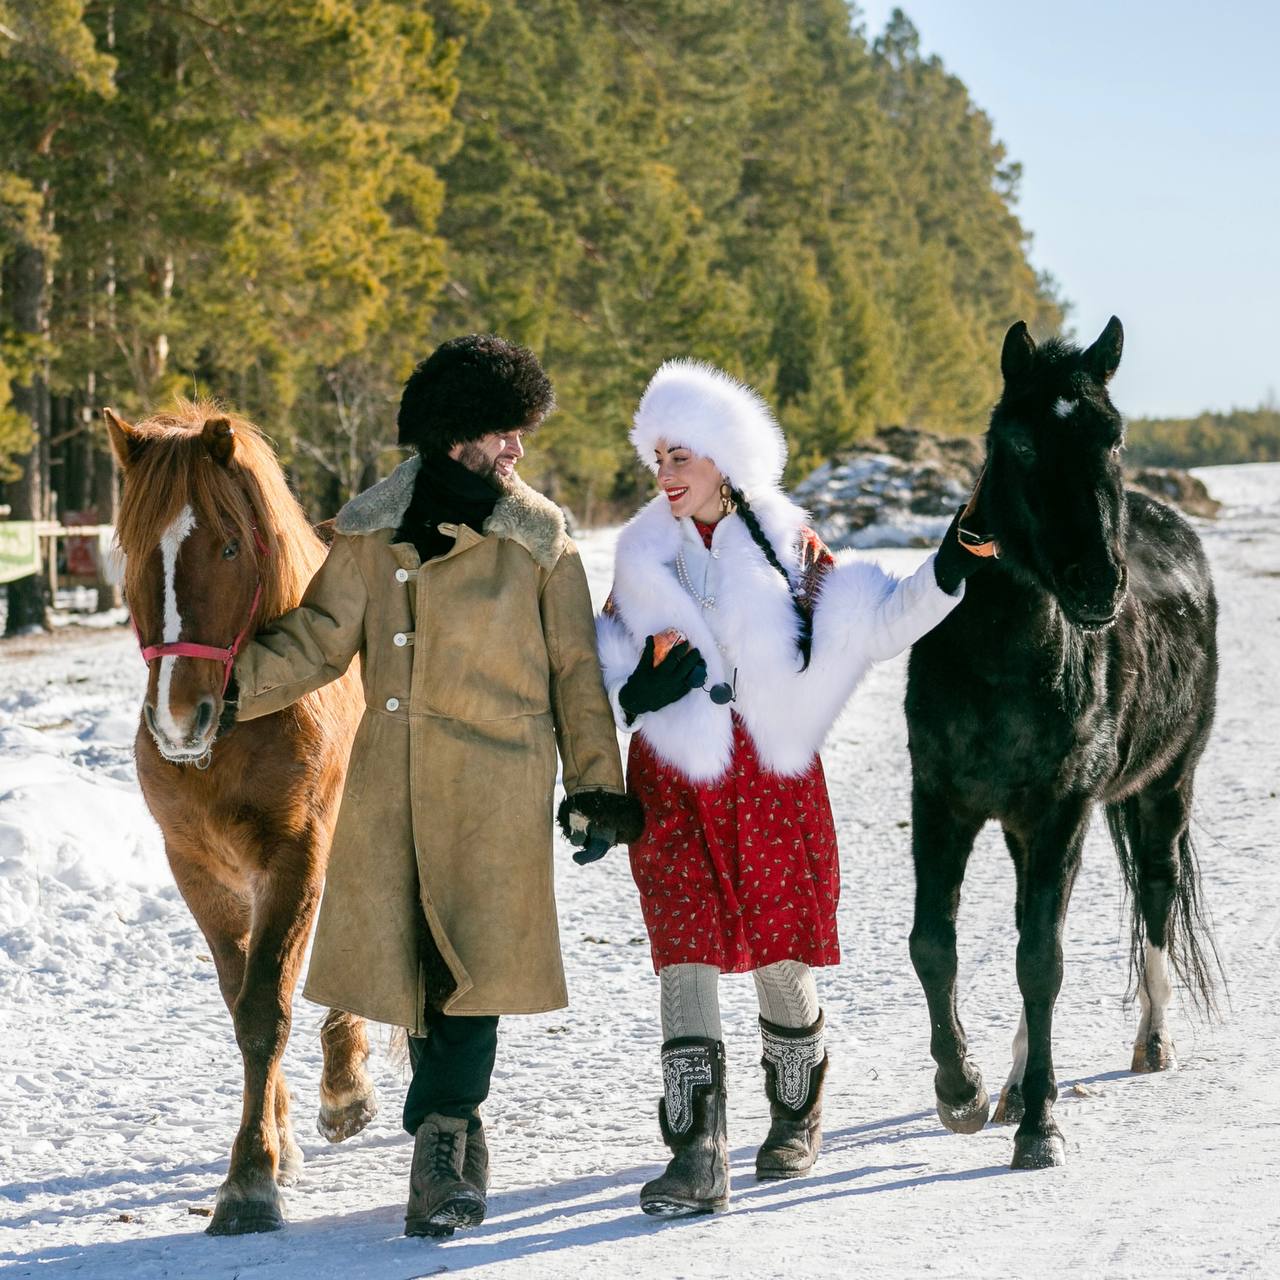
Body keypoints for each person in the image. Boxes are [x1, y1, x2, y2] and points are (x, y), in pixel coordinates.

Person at [230, 334, 642, 1237]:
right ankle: (450, 1133)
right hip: (390, 790)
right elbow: (320, 640)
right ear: (458, 435)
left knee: (475, 972)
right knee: (414, 969)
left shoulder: (540, 540)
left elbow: (576, 668)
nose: (518, 449)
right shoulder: (371, 532)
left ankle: (446, 1141)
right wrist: (226, 686)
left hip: (497, 787)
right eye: (506, 430)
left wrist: (596, 786)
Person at [595, 359, 985, 1216]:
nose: (664, 477)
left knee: (780, 946)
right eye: (656, 459)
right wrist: (637, 695)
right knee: (684, 949)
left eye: (680, 458)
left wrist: (949, 564)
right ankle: (697, 1151)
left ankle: (795, 1115)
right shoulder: (639, 558)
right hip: (673, 777)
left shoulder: (788, 545)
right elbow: (599, 669)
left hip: (770, 778)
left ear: (726, 459)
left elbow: (876, 619)